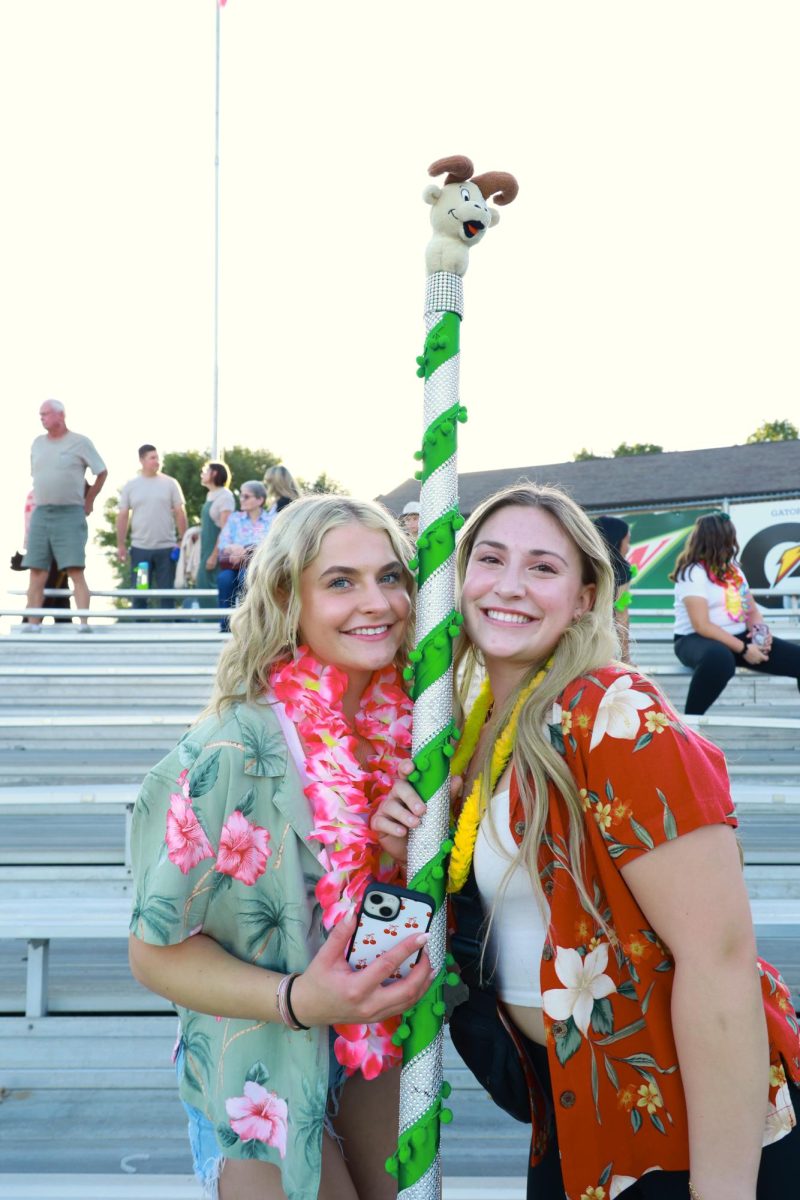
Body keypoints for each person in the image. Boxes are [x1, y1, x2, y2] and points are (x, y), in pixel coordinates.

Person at [372, 484, 800, 1200]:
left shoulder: (613, 710)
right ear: (459, 577)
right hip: (579, 1116)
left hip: (689, 1131)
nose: (510, 585)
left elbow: (719, 959)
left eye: (543, 567)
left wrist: (724, 1190)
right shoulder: (470, 737)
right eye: (491, 559)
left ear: (583, 595)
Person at [128, 495, 432, 1200]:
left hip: (372, 1049)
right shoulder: (230, 750)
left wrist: (391, 854)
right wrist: (300, 999)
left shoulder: (415, 732)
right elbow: (152, 952)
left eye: (392, 576)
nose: (378, 601)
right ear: (284, 598)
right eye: (340, 581)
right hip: (259, 1059)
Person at [671, 513, 800, 715]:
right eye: (730, 536)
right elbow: (701, 625)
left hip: (740, 640)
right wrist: (743, 649)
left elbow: (752, 611)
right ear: (718, 539)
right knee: (720, 659)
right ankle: (690, 725)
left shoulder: (733, 571)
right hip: (696, 640)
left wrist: (760, 636)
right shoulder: (692, 572)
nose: (733, 541)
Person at [22, 398, 107, 631]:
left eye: (46, 413)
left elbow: (101, 471)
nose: (42, 418)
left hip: (70, 512)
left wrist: (89, 501)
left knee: (75, 568)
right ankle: (32, 624)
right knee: (36, 569)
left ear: (60, 415)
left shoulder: (80, 442)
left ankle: (83, 623)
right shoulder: (37, 443)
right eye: (40, 414)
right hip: (42, 511)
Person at [116, 445, 188, 611]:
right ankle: (139, 631)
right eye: (152, 458)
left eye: (158, 457)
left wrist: (182, 540)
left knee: (166, 593)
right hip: (141, 551)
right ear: (141, 460)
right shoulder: (131, 486)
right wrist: (120, 544)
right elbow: (122, 515)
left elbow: (180, 512)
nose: (157, 461)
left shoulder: (171, 484)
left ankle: (168, 631)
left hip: (166, 550)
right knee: (141, 591)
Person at [215, 481, 273, 632]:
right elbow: (223, 542)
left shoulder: (271, 520)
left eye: (246, 496)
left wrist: (247, 551)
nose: (241, 499)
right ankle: (225, 625)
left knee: (245, 576)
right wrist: (234, 548)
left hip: (258, 565)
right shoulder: (235, 518)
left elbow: (274, 545)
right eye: (241, 496)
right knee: (224, 579)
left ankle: (250, 625)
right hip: (234, 564)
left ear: (260, 500)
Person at [594, 514, 635, 661]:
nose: (629, 547)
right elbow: (621, 614)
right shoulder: (621, 569)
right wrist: (626, 659)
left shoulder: (580, 562)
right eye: (627, 541)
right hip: (601, 645)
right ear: (617, 540)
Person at [196, 460, 236, 608]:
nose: (202, 474)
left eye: (205, 471)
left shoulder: (225, 497)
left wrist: (214, 556)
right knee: (201, 586)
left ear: (215, 473)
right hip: (205, 549)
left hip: (216, 553)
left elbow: (226, 530)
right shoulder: (210, 495)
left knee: (211, 588)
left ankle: (215, 626)